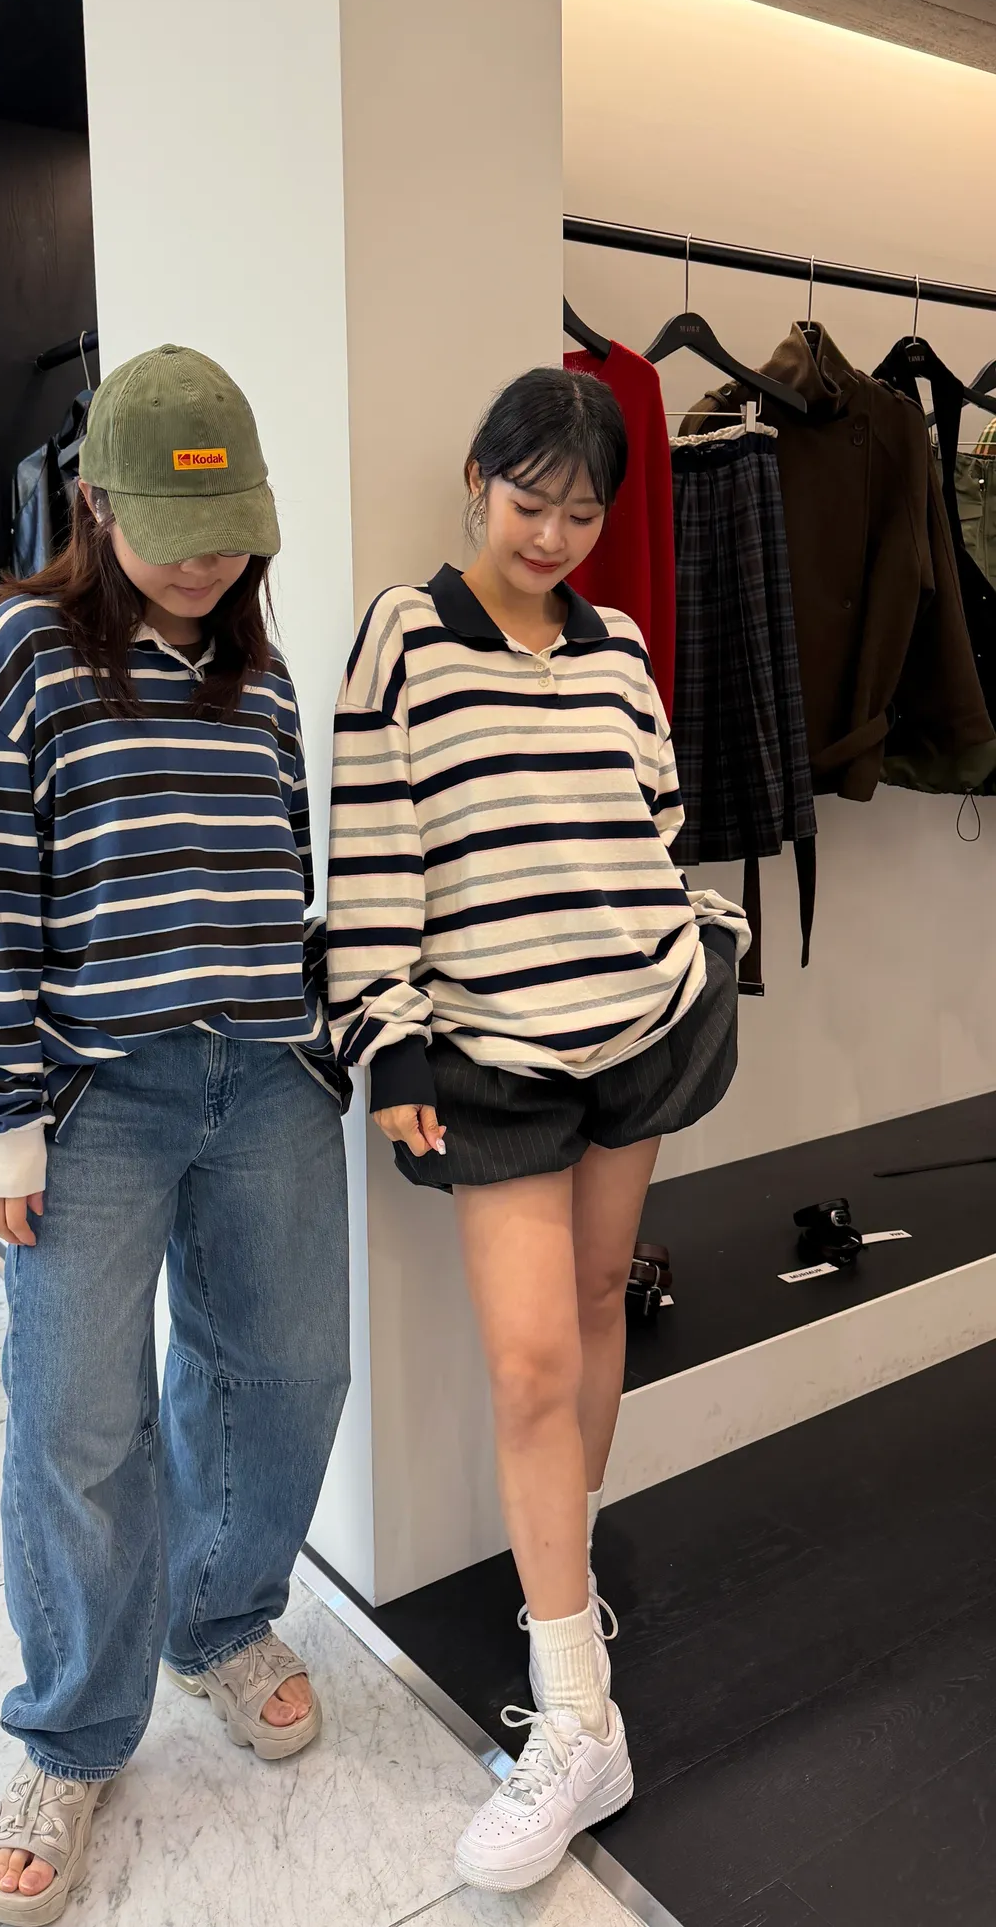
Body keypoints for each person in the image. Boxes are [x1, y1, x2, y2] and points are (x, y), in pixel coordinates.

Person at [0, 346, 350, 1925]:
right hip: (94, 1097)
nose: (205, 563)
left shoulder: (265, 678)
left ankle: (219, 1620)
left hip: (265, 1080)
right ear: (95, 505)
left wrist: (326, 1038)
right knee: (75, 1420)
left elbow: (280, 878)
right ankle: (70, 1730)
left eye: (233, 533)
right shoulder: (22, 651)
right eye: (176, 534)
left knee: (286, 1373)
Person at [327, 367, 746, 1895]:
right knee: (526, 1364)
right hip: (490, 1053)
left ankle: (559, 1609)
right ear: (476, 481)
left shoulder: (619, 646)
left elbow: (657, 816)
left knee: (593, 1304)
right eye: (530, 502)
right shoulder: (403, 634)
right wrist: (388, 1035)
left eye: (582, 512)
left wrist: (684, 929)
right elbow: (371, 849)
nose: (555, 535)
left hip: (638, 1016)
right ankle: (580, 1719)